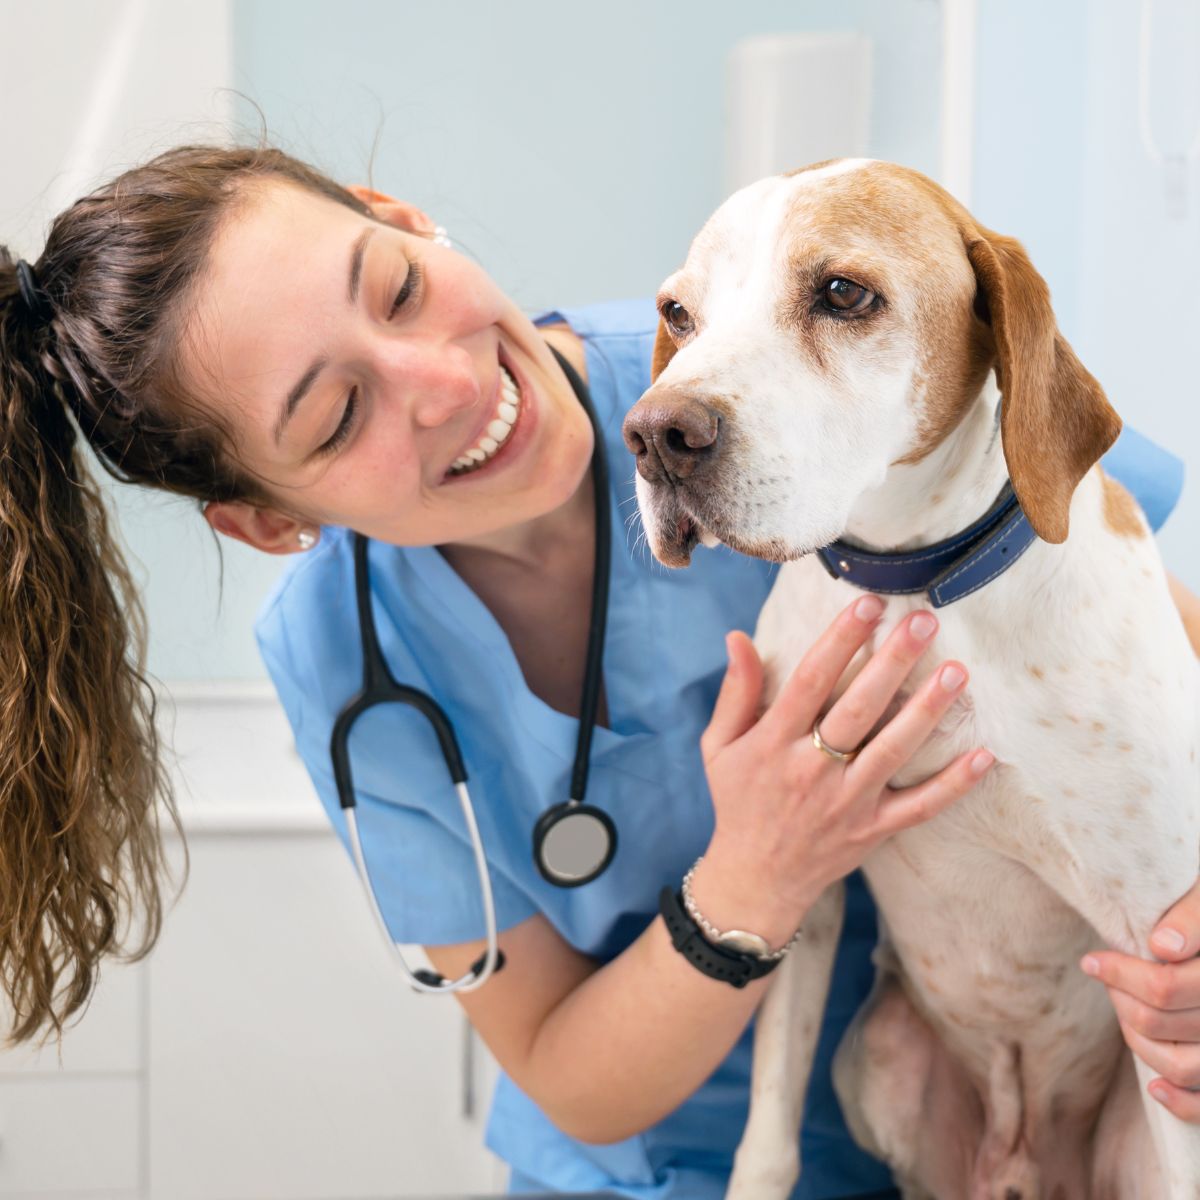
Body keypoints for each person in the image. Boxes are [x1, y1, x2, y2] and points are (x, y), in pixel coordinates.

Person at [2, 144, 1199, 1197]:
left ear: (402, 214)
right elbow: (570, 1078)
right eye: (335, 418)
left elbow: (1131, 640)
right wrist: (756, 873)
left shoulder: (746, 388)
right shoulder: (341, 658)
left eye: (401, 290)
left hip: (924, 1136)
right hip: (654, 1168)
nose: (447, 382)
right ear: (269, 523)